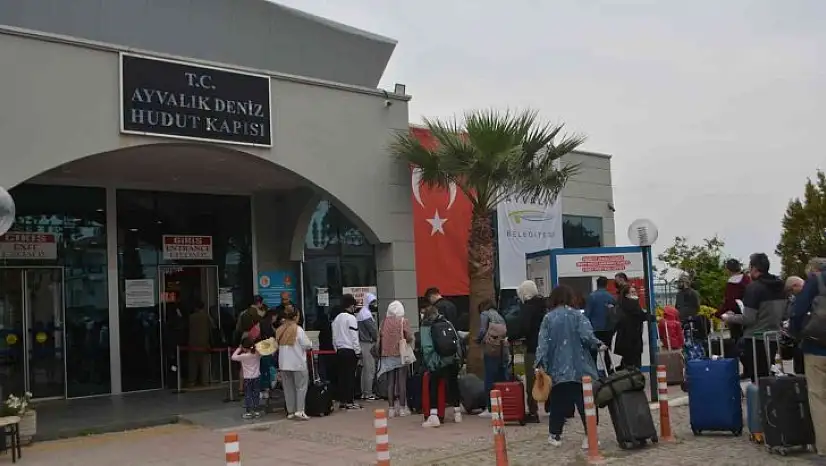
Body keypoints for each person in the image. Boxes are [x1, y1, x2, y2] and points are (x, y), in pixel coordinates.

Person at [535, 285, 605, 448]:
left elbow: (543, 344)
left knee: (558, 402)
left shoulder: (548, 318)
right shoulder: (577, 316)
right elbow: (587, 337)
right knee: (585, 402)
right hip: (580, 367)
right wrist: (598, 344)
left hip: (558, 369)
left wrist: (540, 364)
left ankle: (555, 435)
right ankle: (591, 435)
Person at [722, 253, 785, 383]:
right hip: (773, 337)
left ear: (754, 269)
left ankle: (759, 402)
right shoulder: (780, 286)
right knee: (769, 374)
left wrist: (729, 317)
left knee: (757, 378)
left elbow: (749, 318)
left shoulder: (754, 288)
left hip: (755, 338)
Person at [790, 257, 826, 457]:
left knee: (818, 396)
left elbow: (797, 311)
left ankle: (824, 448)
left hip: (816, 347)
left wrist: (798, 334)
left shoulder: (815, 282)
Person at [420, 304, 463, 427]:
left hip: (438, 361)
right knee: (453, 384)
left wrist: (431, 363)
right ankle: (457, 413)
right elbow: (457, 340)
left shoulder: (426, 325)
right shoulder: (447, 322)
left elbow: (427, 348)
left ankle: (433, 416)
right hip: (452, 359)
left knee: (433, 385)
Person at [377, 300, 414, 417]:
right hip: (400, 353)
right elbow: (408, 337)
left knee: (390, 383)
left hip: (387, 354)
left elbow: (379, 336)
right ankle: (402, 408)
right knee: (402, 382)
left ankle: (391, 409)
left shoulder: (383, 322)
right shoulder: (403, 321)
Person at [276, 304, 313, 421]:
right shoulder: (298, 329)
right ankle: (300, 410)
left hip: (283, 363)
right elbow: (307, 344)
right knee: (301, 387)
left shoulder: (280, 329)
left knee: (288, 388)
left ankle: (290, 411)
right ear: (296, 316)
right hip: (297, 363)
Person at [516, 280, 546, 423]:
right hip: (547, 346)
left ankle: (533, 412)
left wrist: (515, 336)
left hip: (533, 347)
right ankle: (555, 407)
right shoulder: (544, 304)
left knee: (532, 380)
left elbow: (524, 327)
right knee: (549, 377)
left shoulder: (528, 307)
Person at [475, 299, 509, 418]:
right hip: (502, 349)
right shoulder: (499, 315)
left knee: (489, 378)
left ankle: (490, 407)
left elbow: (483, 330)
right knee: (501, 377)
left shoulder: (485, 314)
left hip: (490, 349)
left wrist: (477, 340)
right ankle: (503, 404)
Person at [332, 294, 362, 410]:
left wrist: (336, 349)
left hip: (340, 350)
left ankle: (342, 401)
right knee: (350, 377)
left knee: (342, 377)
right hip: (350, 350)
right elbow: (354, 336)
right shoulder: (351, 319)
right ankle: (350, 401)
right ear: (351, 305)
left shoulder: (337, 319)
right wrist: (358, 351)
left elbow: (334, 337)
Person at [585, 276, 617, 373]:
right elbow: (615, 314)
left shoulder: (592, 296)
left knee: (593, 352)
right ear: (606, 284)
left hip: (595, 329)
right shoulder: (611, 297)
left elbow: (587, 314)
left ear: (597, 284)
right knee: (607, 350)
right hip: (608, 329)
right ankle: (607, 370)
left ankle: (594, 372)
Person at [614, 285, 647, 369]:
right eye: (632, 292)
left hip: (625, 339)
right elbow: (641, 316)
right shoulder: (633, 305)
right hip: (632, 338)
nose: (635, 294)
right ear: (626, 295)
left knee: (627, 362)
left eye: (635, 292)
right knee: (634, 363)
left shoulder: (621, 305)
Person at [231, 337, 262, 419]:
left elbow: (233, 357)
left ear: (244, 347)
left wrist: (239, 348)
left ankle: (249, 412)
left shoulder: (243, 356)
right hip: (257, 377)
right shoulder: (257, 354)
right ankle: (256, 411)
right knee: (256, 394)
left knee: (248, 394)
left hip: (247, 378)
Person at [357, 293, 380, 401]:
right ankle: (368, 393)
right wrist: (378, 338)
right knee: (370, 369)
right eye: (372, 302)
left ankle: (364, 392)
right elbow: (373, 331)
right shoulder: (366, 314)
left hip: (363, 343)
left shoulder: (362, 313)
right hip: (367, 343)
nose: (374, 304)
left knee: (365, 369)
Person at [187, 299, 212, 387]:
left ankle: (192, 381)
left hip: (193, 343)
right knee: (204, 364)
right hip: (205, 343)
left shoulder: (191, 317)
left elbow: (187, 329)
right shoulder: (206, 317)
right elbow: (212, 328)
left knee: (193, 364)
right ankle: (205, 381)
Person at [785, 276, 806, 374]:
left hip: (803, 340)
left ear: (795, 286)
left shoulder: (802, 300)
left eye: (791, 291)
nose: (791, 294)